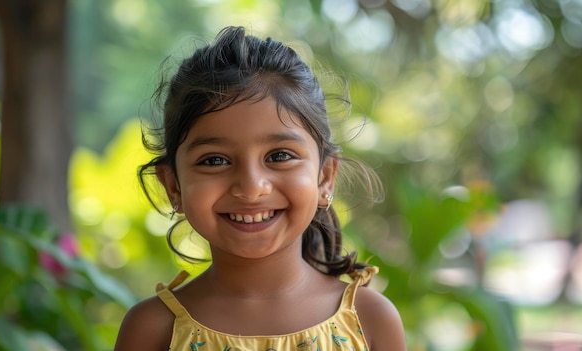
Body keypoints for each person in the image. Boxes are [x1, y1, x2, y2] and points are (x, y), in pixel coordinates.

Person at [114, 26, 406, 351]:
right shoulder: (153, 329)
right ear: (173, 186)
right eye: (214, 161)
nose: (251, 188)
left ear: (325, 177)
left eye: (279, 156)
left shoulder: (370, 320)